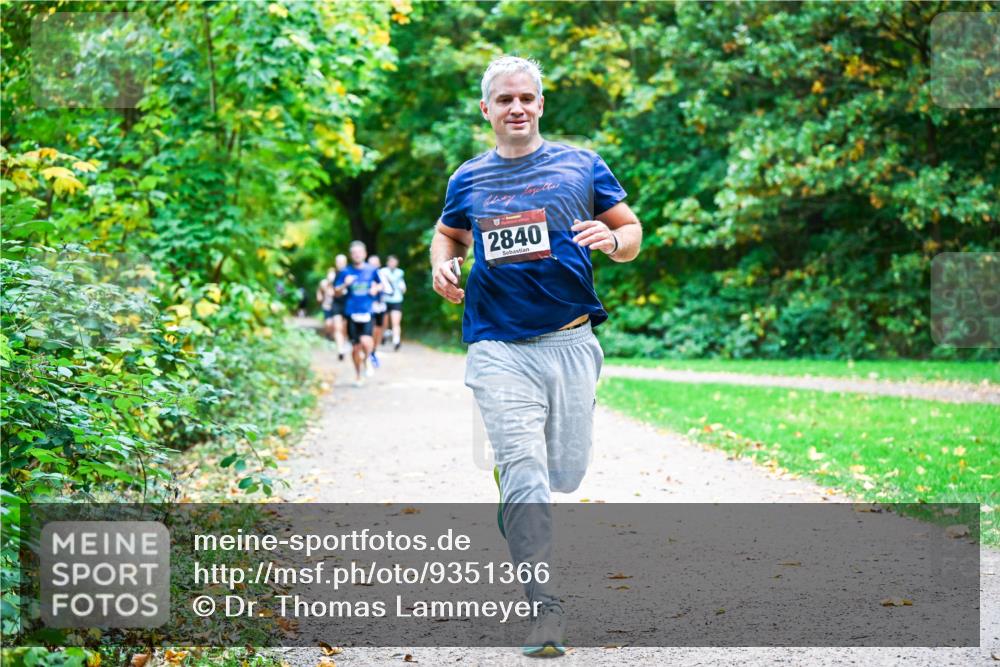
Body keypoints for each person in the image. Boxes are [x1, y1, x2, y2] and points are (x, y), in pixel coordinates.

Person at [429, 55, 642, 657]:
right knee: (523, 469)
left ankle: (524, 488)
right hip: (497, 345)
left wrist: (615, 241)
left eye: (526, 98)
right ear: (487, 110)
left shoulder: (582, 165)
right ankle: (543, 608)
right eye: (504, 100)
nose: (516, 108)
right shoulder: (468, 178)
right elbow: (448, 232)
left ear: (540, 105)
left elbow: (631, 231)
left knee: (564, 474)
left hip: (571, 342)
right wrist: (442, 264)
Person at [334, 241, 383, 387]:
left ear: (365, 254)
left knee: (367, 342)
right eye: (354, 253)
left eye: (359, 252)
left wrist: (376, 289)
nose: (357, 255)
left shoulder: (372, 270)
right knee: (355, 347)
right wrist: (345, 284)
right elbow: (335, 292)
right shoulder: (345, 272)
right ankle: (357, 375)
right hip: (351, 313)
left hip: (367, 311)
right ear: (351, 255)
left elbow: (382, 284)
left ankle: (367, 359)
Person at [367, 254, 388, 368]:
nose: (373, 266)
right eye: (371, 263)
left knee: (379, 329)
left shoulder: (382, 275)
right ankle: (368, 352)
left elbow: (388, 288)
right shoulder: (364, 274)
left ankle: (373, 351)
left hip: (380, 305)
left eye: (375, 264)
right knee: (371, 329)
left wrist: (379, 287)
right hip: (368, 307)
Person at [382, 255, 407, 351]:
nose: (392, 264)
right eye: (391, 261)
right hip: (385, 300)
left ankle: (396, 341)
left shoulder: (400, 273)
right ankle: (385, 333)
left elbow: (402, 286)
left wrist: (402, 288)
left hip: (396, 300)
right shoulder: (383, 272)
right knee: (385, 322)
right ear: (387, 262)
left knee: (396, 322)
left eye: (394, 262)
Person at [331, 254, 349, 361]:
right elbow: (334, 290)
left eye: (342, 262)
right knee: (337, 327)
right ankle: (340, 349)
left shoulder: (349, 273)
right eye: (338, 262)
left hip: (348, 303)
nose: (339, 264)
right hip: (337, 303)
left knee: (345, 328)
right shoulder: (334, 274)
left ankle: (344, 343)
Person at [316, 267, 337, 342]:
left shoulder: (337, 283)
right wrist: (319, 297)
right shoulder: (323, 283)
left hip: (335, 306)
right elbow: (319, 291)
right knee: (328, 322)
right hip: (326, 305)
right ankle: (328, 335)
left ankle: (333, 336)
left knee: (335, 323)